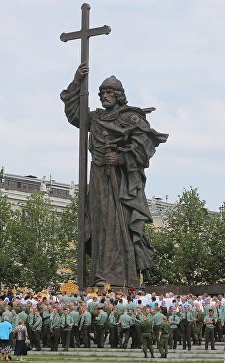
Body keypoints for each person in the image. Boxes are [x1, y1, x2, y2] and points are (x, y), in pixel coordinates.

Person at [61, 64, 169, 288]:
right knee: (98, 224)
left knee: (116, 226)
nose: (104, 97)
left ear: (119, 96)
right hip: (99, 176)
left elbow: (145, 145)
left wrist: (121, 158)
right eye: (101, 93)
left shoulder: (130, 119)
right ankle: (101, 274)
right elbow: (74, 115)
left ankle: (118, 277)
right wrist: (76, 82)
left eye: (109, 93)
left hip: (120, 181)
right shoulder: (97, 119)